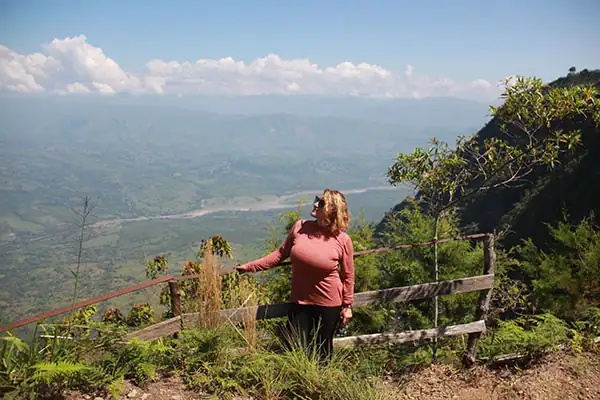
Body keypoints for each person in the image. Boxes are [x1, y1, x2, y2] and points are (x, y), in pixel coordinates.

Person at [235, 189, 355, 361]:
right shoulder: (300, 227)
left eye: (320, 203)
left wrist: (347, 305)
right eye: (316, 200)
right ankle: (300, 383)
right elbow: (280, 254)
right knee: (296, 348)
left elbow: (348, 275)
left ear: (332, 210)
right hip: (299, 302)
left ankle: (320, 385)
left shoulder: (342, 240)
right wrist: (251, 266)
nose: (314, 204)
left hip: (329, 304)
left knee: (323, 352)